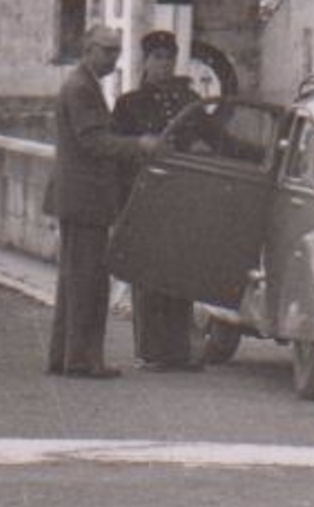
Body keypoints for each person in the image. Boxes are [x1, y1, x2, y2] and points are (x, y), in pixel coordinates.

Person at [44, 25, 161, 379]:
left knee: (76, 280)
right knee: (88, 282)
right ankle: (82, 360)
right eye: (107, 51)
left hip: (79, 197)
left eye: (116, 51)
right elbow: (93, 141)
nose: (113, 58)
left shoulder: (83, 83)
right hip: (85, 199)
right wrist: (138, 145)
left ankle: (65, 356)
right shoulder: (81, 88)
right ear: (88, 48)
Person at [111, 30, 203, 372]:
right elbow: (117, 156)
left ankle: (179, 349)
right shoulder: (128, 105)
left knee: (180, 271)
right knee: (148, 274)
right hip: (144, 197)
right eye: (158, 57)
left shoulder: (189, 102)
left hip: (181, 197)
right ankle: (153, 351)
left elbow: (215, 137)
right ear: (145, 61)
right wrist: (121, 208)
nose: (164, 64)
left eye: (169, 57)